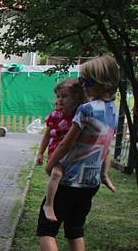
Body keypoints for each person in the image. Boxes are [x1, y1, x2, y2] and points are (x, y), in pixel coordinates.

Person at [27, 54, 120, 251]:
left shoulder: (86, 109)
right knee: (75, 230)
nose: (83, 86)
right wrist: (104, 174)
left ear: (102, 82)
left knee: (46, 228)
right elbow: (105, 148)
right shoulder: (113, 111)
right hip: (90, 183)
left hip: (68, 180)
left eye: (86, 81)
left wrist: (50, 165)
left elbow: (67, 143)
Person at [37, 79, 114, 222]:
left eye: (64, 96)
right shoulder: (55, 115)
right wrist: (40, 153)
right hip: (58, 155)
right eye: (58, 96)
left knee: (106, 150)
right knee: (56, 173)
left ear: (77, 98)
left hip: (75, 157)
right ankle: (49, 204)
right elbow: (48, 134)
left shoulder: (79, 113)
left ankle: (104, 175)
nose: (60, 100)